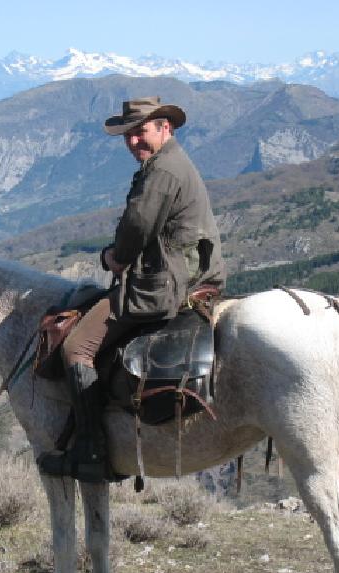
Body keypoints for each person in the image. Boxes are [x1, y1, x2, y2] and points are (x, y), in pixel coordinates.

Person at [39, 96, 225, 483]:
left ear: (164, 128)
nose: (133, 142)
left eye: (140, 132)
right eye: (128, 135)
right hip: (185, 272)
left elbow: (136, 227)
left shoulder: (162, 172)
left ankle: (91, 448)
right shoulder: (167, 163)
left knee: (77, 348)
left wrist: (114, 259)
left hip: (166, 283)